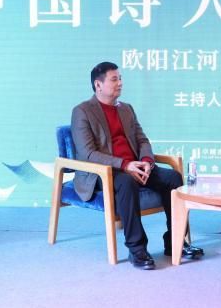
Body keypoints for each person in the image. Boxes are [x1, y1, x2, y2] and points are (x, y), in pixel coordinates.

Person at [71, 61, 203, 270]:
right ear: (98, 84)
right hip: (105, 172)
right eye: (114, 79)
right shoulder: (82, 111)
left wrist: (147, 162)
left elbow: (142, 140)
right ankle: (137, 249)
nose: (120, 83)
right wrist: (125, 165)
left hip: (136, 166)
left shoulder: (126, 109)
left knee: (173, 178)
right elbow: (88, 153)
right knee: (126, 182)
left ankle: (176, 241)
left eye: (120, 78)